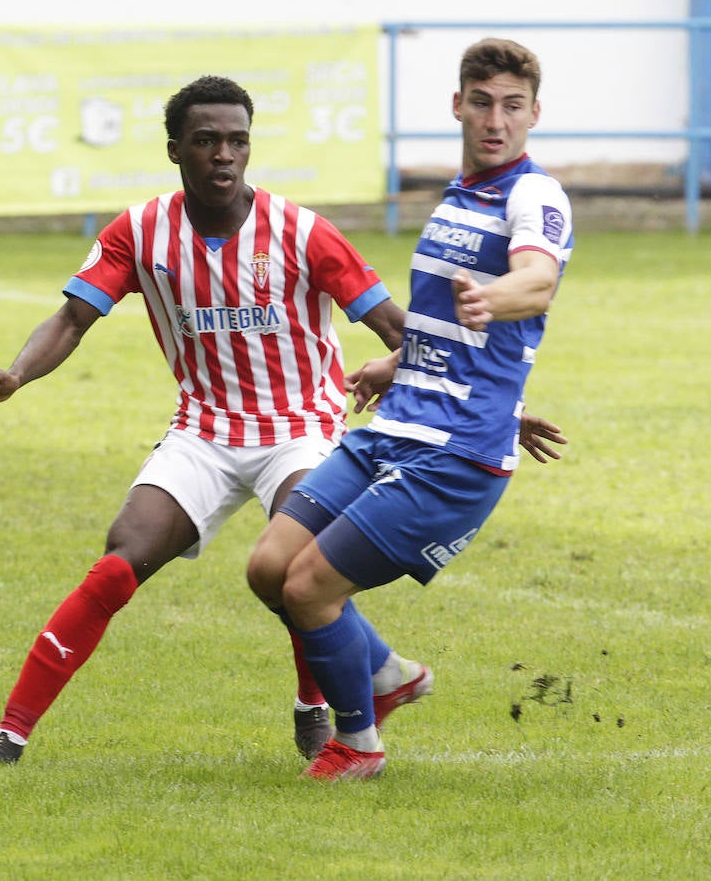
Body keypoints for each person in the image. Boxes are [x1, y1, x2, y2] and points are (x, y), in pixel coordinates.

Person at [0, 75, 566, 768]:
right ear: (175, 149)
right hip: (204, 431)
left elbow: (405, 330)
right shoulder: (140, 231)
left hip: (301, 425)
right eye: (207, 141)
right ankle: (11, 735)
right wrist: (16, 376)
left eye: (237, 141)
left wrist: (484, 403)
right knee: (117, 564)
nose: (223, 155)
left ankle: (319, 707)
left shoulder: (304, 232)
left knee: (296, 567)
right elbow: (73, 317)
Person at [246, 38, 574, 781]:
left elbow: (538, 283)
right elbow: (443, 326)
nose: (497, 120)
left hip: (454, 456)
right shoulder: (457, 200)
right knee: (270, 568)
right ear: (458, 105)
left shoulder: (534, 196)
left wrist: (496, 298)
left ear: (534, 114)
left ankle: (358, 746)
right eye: (483, 102)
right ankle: (389, 674)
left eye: (513, 107)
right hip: (394, 427)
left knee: (309, 586)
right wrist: (394, 364)